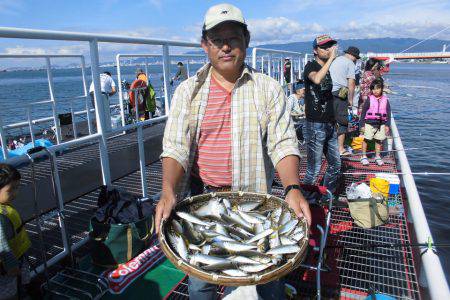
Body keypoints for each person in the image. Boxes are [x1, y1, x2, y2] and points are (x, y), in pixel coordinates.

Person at [155, 3, 311, 299]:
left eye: (234, 38)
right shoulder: (187, 92)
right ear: (205, 45)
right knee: (202, 282)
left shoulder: (268, 88)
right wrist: (167, 190)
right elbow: (175, 146)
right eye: (217, 40)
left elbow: (283, 142)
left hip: (255, 204)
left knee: (268, 277)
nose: (225, 47)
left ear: (246, 41)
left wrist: (292, 187)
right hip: (203, 203)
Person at [302, 34, 341, 199]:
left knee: (336, 165)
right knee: (314, 169)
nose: (328, 49)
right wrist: (332, 58)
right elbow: (317, 79)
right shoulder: (310, 66)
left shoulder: (327, 68)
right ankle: (304, 200)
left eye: (330, 46)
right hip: (315, 126)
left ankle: (325, 197)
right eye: (324, 47)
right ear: (315, 50)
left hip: (329, 124)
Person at [0, 164, 31, 300]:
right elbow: (2, 246)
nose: (15, 193)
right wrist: (12, 267)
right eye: (11, 190)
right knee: (11, 294)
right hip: (8, 270)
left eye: (17, 188)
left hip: (17, 259)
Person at [329, 46, 360, 156]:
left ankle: (329, 147)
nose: (356, 60)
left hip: (329, 93)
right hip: (340, 94)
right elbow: (351, 84)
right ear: (353, 56)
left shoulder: (335, 59)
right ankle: (341, 149)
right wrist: (351, 100)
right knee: (343, 121)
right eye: (356, 58)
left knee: (330, 120)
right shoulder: (350, 63)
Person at [359, 78, 391, 166]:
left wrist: (388, 125)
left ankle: (377, 156)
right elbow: (363, 112)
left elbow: (388, 113)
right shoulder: (369, 99)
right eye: (373, 89)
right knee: (366, 139)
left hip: (381, 124)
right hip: (369, 123)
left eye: (377, 88)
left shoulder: (386, 100)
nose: (375, 91)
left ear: (381, 89)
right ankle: (363, 156)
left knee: (378, 140)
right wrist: (362, 125)